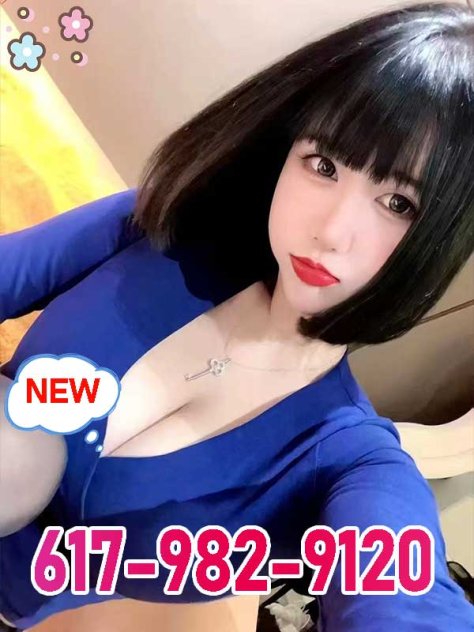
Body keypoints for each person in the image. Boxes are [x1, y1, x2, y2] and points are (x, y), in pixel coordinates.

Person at [1, 2, 473, 630]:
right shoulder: (163, 228)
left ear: (441, 239)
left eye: (398, 203)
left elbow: (403, 599)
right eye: (324, 165)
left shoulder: (346, 458)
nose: (331, 232)